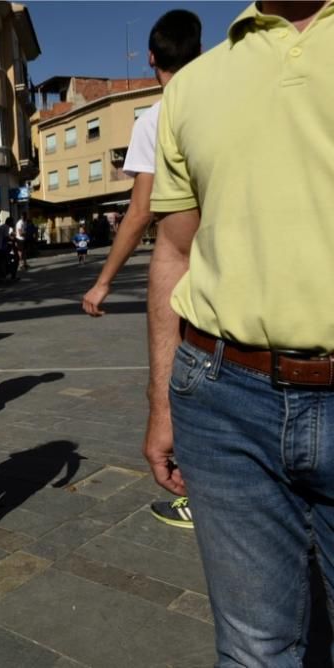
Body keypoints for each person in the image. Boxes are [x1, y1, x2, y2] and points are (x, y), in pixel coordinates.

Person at [145, 3, 333, 663]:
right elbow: (172, 251)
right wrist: (162, 402)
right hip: (223, 399)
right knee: (256, 650)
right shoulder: (195, 86)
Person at [79, 9, 202, 530]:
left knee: (189, 385)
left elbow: (141, 208)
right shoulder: (229, 97)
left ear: (151, 58)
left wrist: (103, 281)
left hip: (193, 282)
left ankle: (197, 492)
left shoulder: (158, 117)